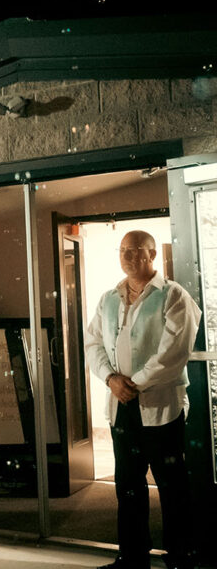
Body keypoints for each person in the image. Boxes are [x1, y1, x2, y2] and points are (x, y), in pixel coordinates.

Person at [84, 231, 201, 569]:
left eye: (135, 251)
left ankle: (181, 557)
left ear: (151, 255)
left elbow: (173, 352)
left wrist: (133, 382)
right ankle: (132, 557)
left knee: (171, 485)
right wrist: (110, 378)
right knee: (128, 485)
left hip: (161, 406)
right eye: (123, 251)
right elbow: (92, 343)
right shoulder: (109, 298)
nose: (127, 257)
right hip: (121, 407)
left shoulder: (173, 296)